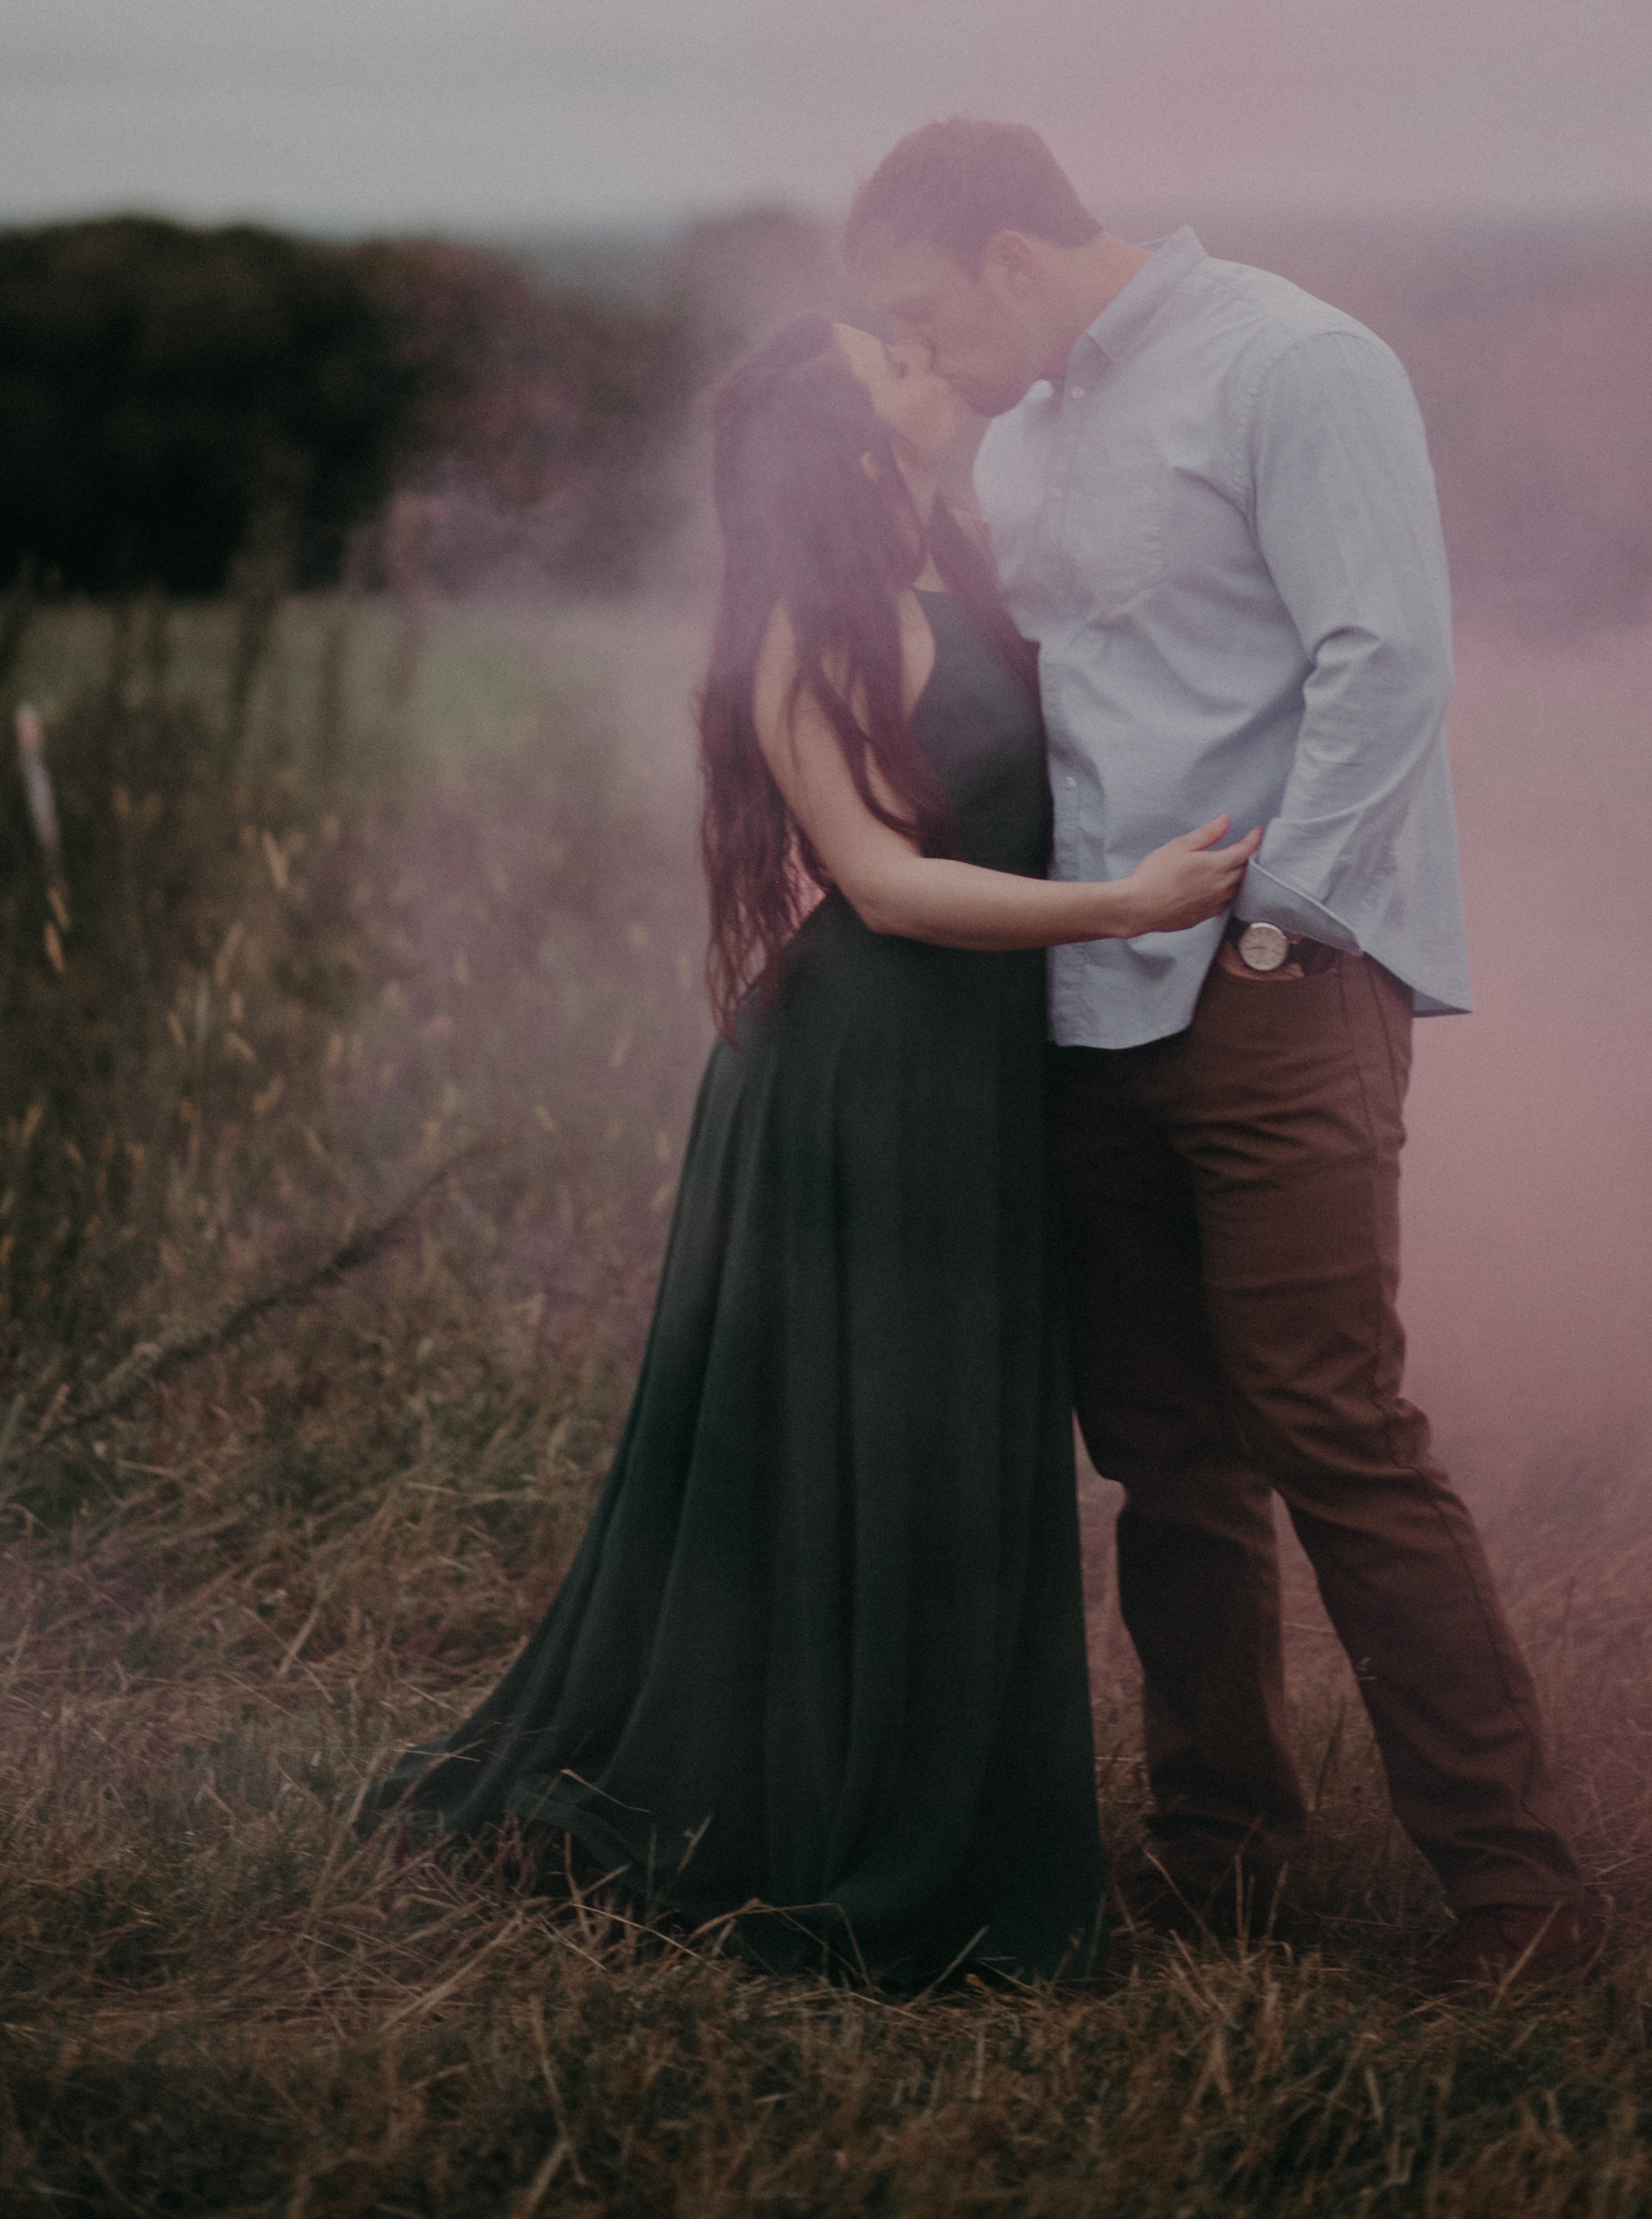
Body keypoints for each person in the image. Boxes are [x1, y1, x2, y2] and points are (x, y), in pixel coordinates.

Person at [364, 310, 1257, 1988]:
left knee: (949, 1443)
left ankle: (942, 1798)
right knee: (870, 1446)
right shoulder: (809, 631)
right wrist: (1126, 906)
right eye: (890, 361)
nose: (925, 358)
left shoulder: (959, 555)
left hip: (971, 1071)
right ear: (849, 443)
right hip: (867, 1077)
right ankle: (845, 1822)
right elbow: (882, 881)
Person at [848, 118, 1599, 1989]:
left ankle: (1514, 1898)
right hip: (1088, 1009)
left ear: (1014, 252)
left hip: (1275, 985)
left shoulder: (1290, 362)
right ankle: (1222, 1860)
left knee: (1332, 1433)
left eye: (932, 315)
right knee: (1166, 1463)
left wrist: (1280, 935)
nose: (927, 359)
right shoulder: (1015, 438)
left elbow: (1384, 659)